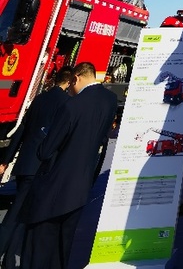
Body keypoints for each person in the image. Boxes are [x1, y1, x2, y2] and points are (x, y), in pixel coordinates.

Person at [21, 61, 118, 269]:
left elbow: (45, 151)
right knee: (64, 246)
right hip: (81, 186)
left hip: (54, 188)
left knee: (40, 246)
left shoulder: (71, 106)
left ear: (76, 78)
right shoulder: (110, 100)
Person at [0, 68, 73, 266]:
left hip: (24, 163)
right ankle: (4, 254)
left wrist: (6, 160)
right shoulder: (66, 104)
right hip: (40, 166)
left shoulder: (40, 99)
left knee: (18, 211)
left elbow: (21, 129)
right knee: (18, 216)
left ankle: (7, 259)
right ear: (69, 82)